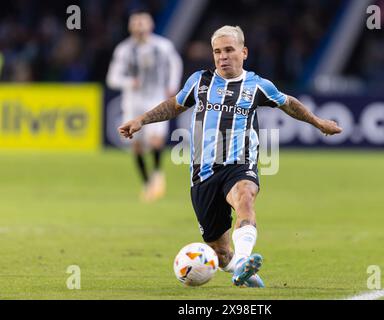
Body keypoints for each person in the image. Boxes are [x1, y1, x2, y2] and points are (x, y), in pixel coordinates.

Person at [118, 26, 342, 287]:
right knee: (221, 253)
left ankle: (246, 259)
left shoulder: (257, 85)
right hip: (202, 173)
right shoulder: (200, 81)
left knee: (245, 197)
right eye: (217, 52)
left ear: (243, 52)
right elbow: (174, 105)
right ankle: (241, 268)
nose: (222, 56)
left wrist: (318, 123)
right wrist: (142, 120)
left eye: (229, 50)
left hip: (239, 164)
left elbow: (288, 103)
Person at [107, 11, 183, 202]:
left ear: (150, 26)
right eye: (136, 25)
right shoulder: (124, 50)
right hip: (132, 101)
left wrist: (172, 85)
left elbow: (175, 64)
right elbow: (112, 78)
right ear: (131, 27)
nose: (140, 28)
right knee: (137, 146)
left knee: (156, 139)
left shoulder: (163, 46)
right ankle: (147, 183)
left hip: (156, 98)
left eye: (143, 24)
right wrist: (128, 81)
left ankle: (157, 174)